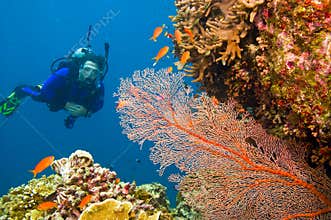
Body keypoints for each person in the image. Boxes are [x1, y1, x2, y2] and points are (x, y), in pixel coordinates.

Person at [0, 46, 109, 129]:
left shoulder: (98, 85)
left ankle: (72, 117)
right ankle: (20, 92)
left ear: (99, 74)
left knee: (84, 103)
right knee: (40, 95)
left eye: (94, 72)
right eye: (87, 69)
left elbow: (99, 104)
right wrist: (63, 104)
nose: (89, 75)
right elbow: (47, 91)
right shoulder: (65, 73)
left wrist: (85, 112)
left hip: (76, 100)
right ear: (80, 68)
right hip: (56, 94)